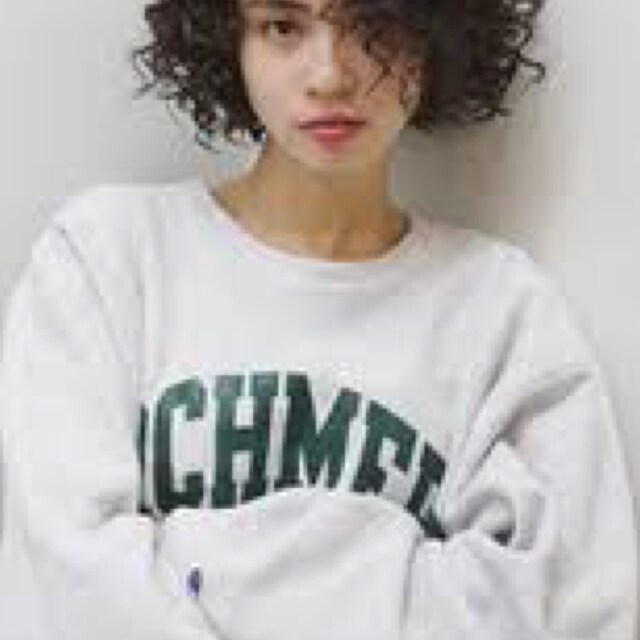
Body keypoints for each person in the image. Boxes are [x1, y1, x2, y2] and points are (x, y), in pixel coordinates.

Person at [0, 0, 636, 638]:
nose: (330, 76)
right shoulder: (107, 257)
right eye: (283, 27)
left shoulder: (502, 310)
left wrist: (194, 563)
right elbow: (66, 582)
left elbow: (572, 609)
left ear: (434, 35)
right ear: (229, 38)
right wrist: (397, 569)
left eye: (374, 27)